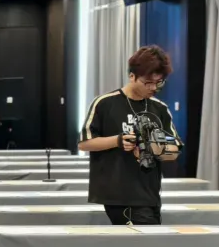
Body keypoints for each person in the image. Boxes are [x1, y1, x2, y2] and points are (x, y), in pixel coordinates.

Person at [78, 45, 182, 225]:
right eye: (148, 83)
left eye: (159, 83)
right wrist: (118, 140)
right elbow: (84, 143)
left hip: (149, 193)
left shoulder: (159, 108)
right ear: (132, 76)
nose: (154, 88)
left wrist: (153, 147)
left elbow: (174, 151)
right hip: (118, 194)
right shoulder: (105, 103)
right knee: (149, 239)